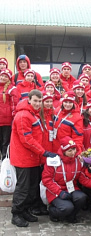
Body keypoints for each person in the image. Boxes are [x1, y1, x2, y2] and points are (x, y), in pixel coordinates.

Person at [10, 89, 57, 227]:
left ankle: (25, 210)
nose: (37, 103)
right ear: (29, 100)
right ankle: (16, 213)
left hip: (33, 158)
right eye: (35, 101)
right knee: (23, 188)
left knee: (32, 187)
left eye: (39, 101)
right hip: (23, 158)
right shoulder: (24, 115)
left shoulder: (34, 114)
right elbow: (27, 140)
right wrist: (44, 152)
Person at [42, 136, 91, 223]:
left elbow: (83, 179)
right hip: (55, 191)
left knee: (81, 197)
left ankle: (71, 215)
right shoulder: (54, 161)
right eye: (70, 150)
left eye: (74, 149)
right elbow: (46, 180)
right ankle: (53, 212)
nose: (73, 152)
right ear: (63, 151)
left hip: (71, 188)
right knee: (67, 207)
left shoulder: (78, 161)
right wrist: (59, 192)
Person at [0, 69, 18, 160]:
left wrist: (14, 117)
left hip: (6, 121)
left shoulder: (12, 89)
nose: (3, 78)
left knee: (5, 142)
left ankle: (4, 160)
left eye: (5, 76)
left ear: (9, 78)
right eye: (2, 75)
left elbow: (14, 105)